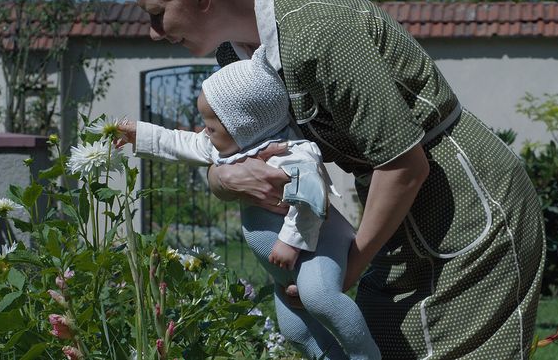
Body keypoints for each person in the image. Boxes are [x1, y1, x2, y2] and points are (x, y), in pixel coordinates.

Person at [124, 0, 545, 360]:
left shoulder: (320, 32)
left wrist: (340, 274)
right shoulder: (234, 55)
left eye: (157, 14)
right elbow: (232, 150)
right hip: (396, 216)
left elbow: (405, 165)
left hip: (465, 203)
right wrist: (223, 180)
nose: (153, 32)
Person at [118, 46, 381, 359]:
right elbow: (181, 142)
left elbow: (311, 197)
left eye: (211, 126)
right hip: (286, 267)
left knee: (320, 297)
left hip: (316, 247)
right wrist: (139, 134)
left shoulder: (292, 153)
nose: (204, 132)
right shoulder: (231, 147)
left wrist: (290, 241)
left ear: (243, 126)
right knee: (295, 331)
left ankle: (365, 354)